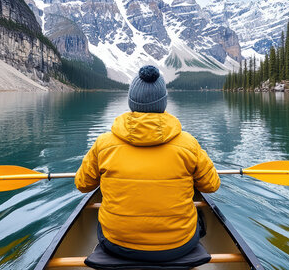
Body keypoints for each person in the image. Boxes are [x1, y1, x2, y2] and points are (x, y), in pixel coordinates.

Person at [75, 65, 220, 262]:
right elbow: (211, 186)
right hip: (179, 245)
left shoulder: (103, 144)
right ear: (164, 103)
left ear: (131, 101)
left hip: (117, 245)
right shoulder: (188, 144)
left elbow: (82, 185)